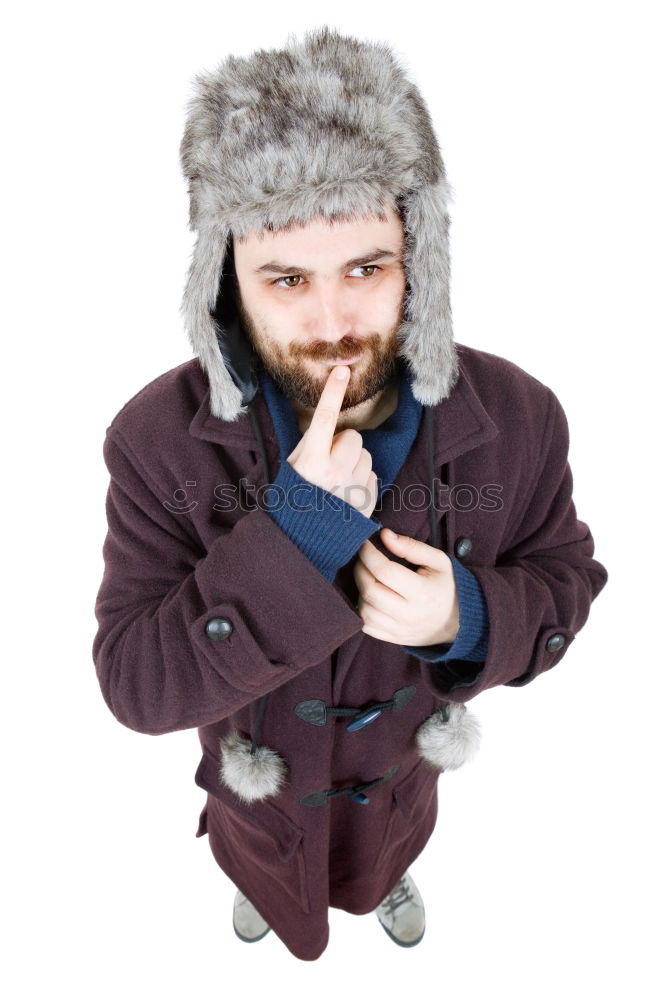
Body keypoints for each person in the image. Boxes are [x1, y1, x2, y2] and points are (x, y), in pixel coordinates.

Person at [92, 26, 608, 962]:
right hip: (256, 799)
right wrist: (296, 531)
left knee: (382, 853)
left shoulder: (524, 414)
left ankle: (381, 878)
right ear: (225, 283)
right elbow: (135, 682)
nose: (333, 325)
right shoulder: (153, 440)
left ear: (421, 262)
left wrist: (473, 613)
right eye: (286, 279)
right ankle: (257, 884)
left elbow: (569, 579)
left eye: (367, 268)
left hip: (404, 787)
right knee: (259, 860)